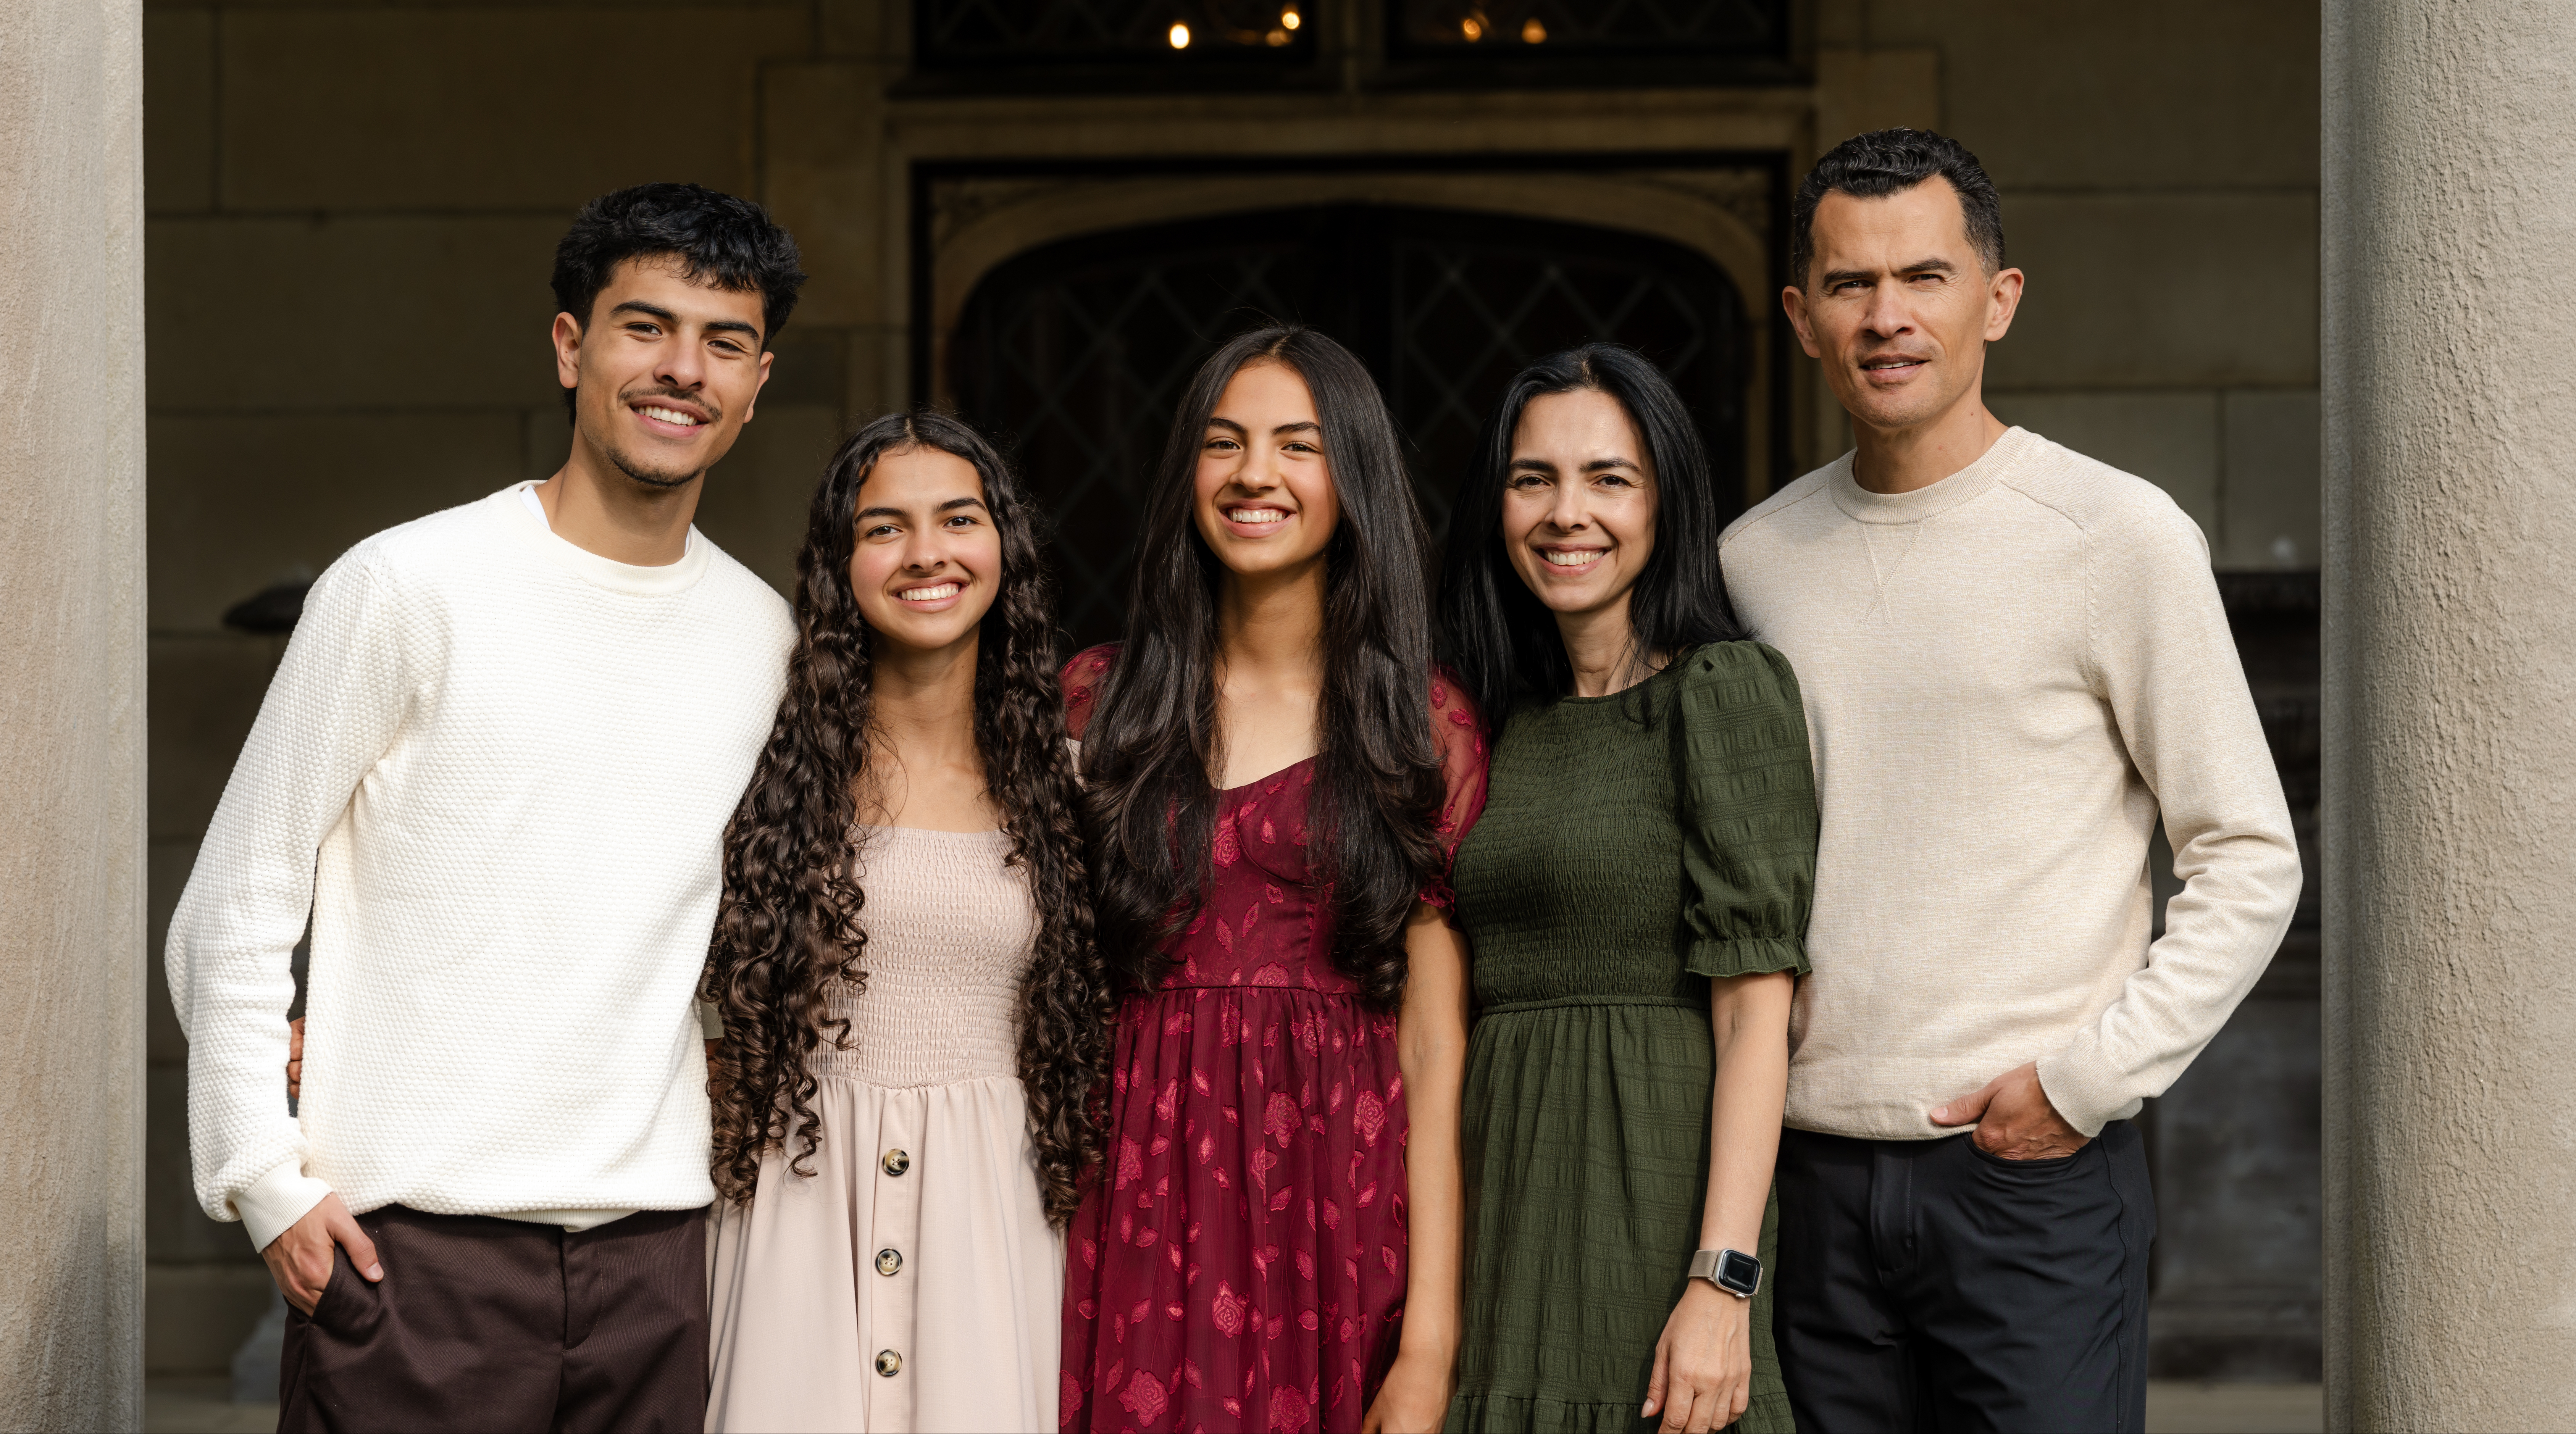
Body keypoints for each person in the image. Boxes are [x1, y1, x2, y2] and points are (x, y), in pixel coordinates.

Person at [165, 182, 805, 1432]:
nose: (683, 370)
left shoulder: (762, 639)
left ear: (758, 378)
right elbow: (237, 897)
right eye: (645, 327)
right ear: (571, 348)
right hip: (411, 1262)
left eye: (722, 342)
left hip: (660, 1261)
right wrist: (262, 1179)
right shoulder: (408, 586)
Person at [1722, 127, 2302, 1432]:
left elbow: (2248, 855)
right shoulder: (1751, 561)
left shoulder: (2117, 536)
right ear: (1801, 317)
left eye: (1923, 278)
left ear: (1999, 299)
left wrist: (2084, 1083)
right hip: (1805, 1176)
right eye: (1851, 285)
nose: (1887, 317)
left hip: (2028, 1178)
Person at [1057, 326, 1489, 1434]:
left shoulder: (1417, 725)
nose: (1255, 475)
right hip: (1130, 1189)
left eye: (1297, 445)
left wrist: (1432, 1343)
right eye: (1225, 443)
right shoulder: (1096, 704)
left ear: (1352, 479)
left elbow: (1437, 1049)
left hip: (1334, 1192)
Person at [697, 410, 1110, 1432]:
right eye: (884, 527)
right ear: (841, 565)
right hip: (797, 1202)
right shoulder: (758, 775)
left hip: (994, 1218)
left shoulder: (1070, 789)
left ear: (1003, 549)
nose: (926, 553)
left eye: (957, 520)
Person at [1437, 345, 1815, 1434]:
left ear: (1665, 503)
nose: (1567, 514)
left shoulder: (1722, 691)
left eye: (1609, 478)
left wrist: (1721, 1280)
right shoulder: (1495, 720)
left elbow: (1755, 1014)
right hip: (1505, 1189)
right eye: (1531, 479)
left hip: (1651, 1192)